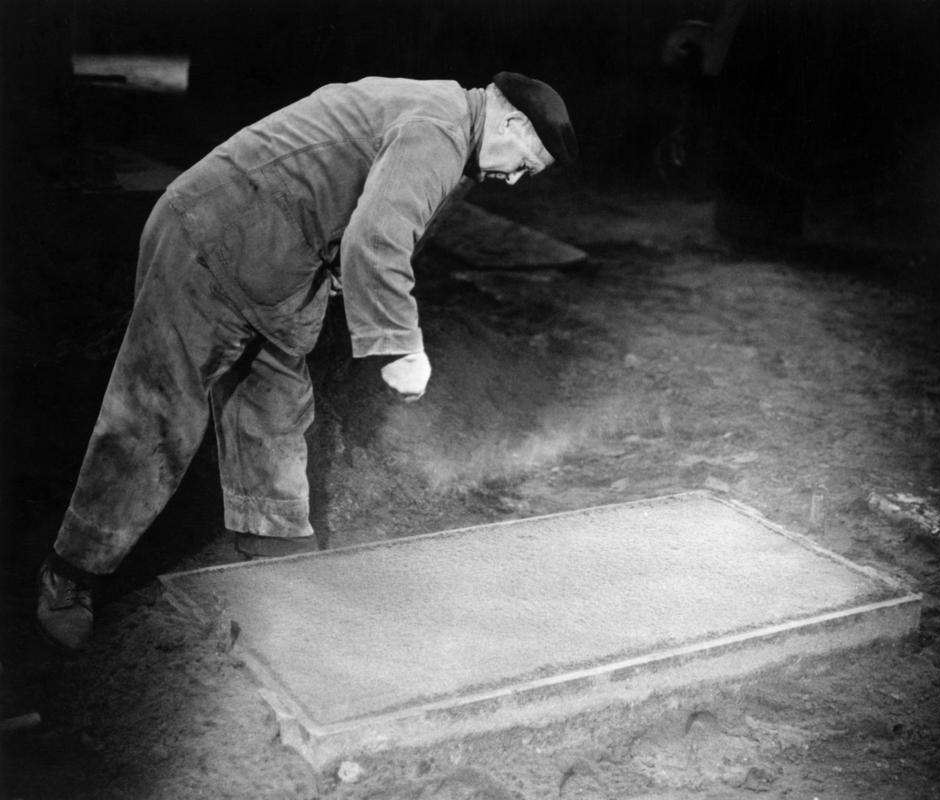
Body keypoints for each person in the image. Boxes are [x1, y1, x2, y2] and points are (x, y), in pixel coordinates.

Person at [36, 72, 578, 652]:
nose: (513, 179)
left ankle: (278, 552)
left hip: (277, 260)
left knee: (275, 406)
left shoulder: (450, 127)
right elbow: (378, 236)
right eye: (524, 164)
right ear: (510, 122)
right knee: (158, 411)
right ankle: (69, 574)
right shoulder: (437, 129)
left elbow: (366, 211)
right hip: (210, 234)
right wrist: (399, 344)